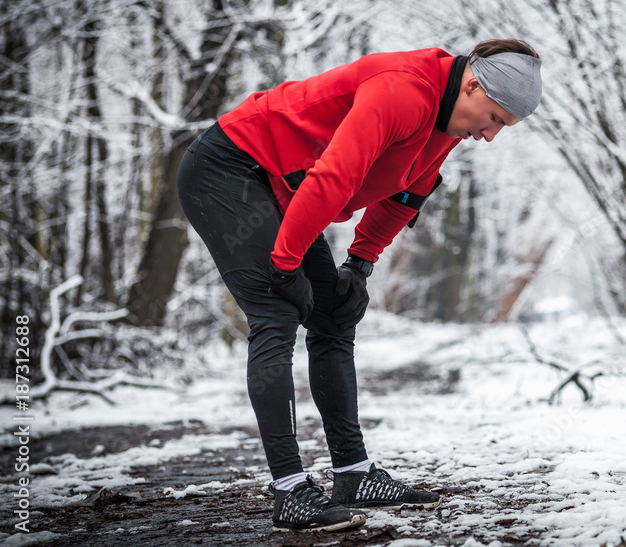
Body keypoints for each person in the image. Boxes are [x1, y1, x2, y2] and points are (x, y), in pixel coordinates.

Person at [176, 39, 543, 532]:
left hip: (287, 187)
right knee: (276, 313)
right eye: (495, 119)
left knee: (333, 313)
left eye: (503, 127)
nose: (490, 135)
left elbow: (406, 194)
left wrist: (360, 263)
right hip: (231, 167)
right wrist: (284, 267)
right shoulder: (404, 91)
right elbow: (334, 177)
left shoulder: (451, 119)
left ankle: (353, 473)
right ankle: (290, 492)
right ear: (474, 85)